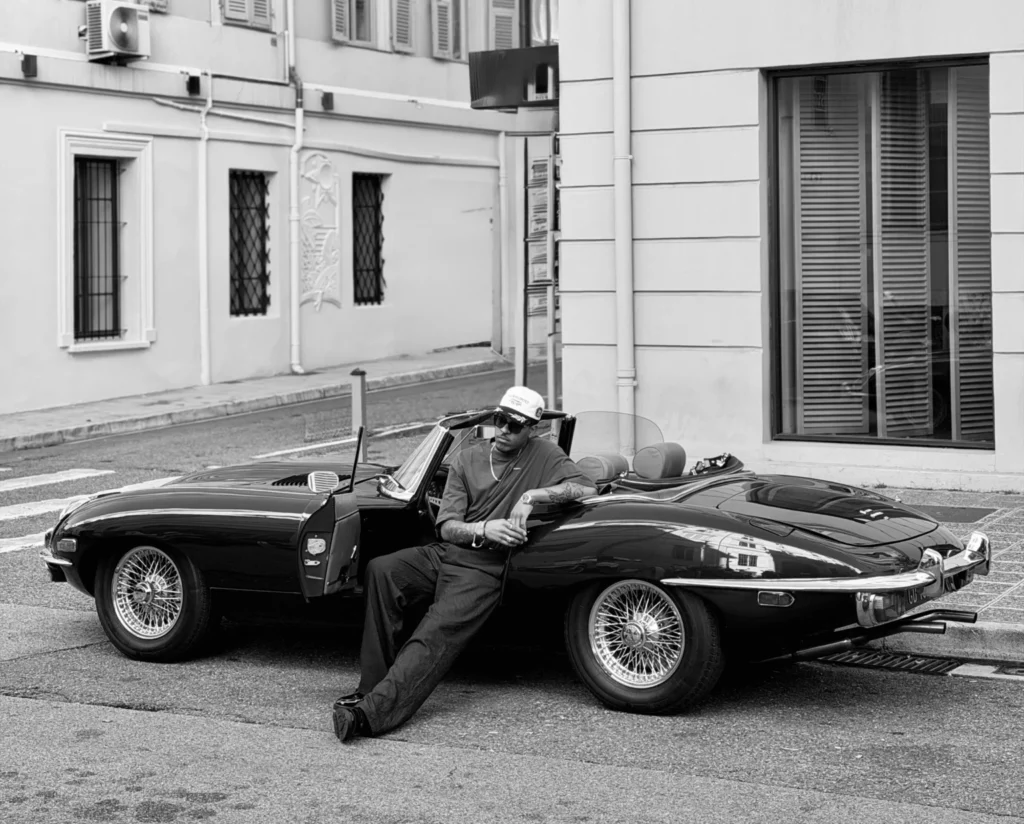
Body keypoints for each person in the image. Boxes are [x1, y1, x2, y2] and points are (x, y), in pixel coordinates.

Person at [332, 386, 596, 741]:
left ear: (531, 428)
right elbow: (447, 527)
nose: (503, 430)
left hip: (487, 566)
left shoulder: (546, 454)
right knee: (382, 569)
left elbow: (587, 489)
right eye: (499, 420)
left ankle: (370, 715)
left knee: (433, 632)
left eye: (514, 425)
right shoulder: (468, 458)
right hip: (454, 551)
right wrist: (485, 527)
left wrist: (532, 496)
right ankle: (372, 685)